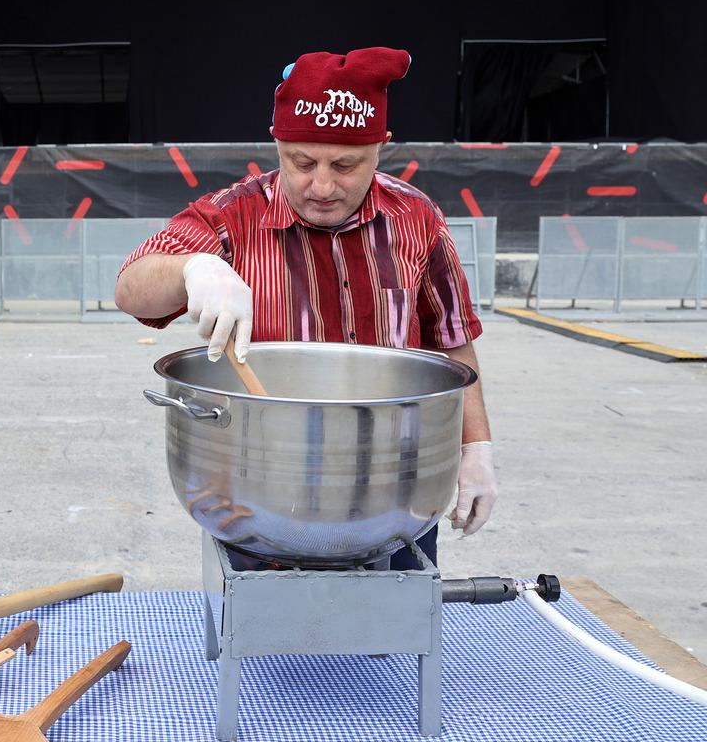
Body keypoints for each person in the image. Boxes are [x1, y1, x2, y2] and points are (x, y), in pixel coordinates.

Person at [115, 47, 496, 567]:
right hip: (259, 496)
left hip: (394, 494)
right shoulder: (233, 217)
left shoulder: (416, 218)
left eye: (344, 165)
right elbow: (131, 288)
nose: (321, 186)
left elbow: (451, 338)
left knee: (389, 641)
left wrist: (476, 448)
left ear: (380, 148)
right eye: (301, 162)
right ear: (278, 144)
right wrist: (190, 269)